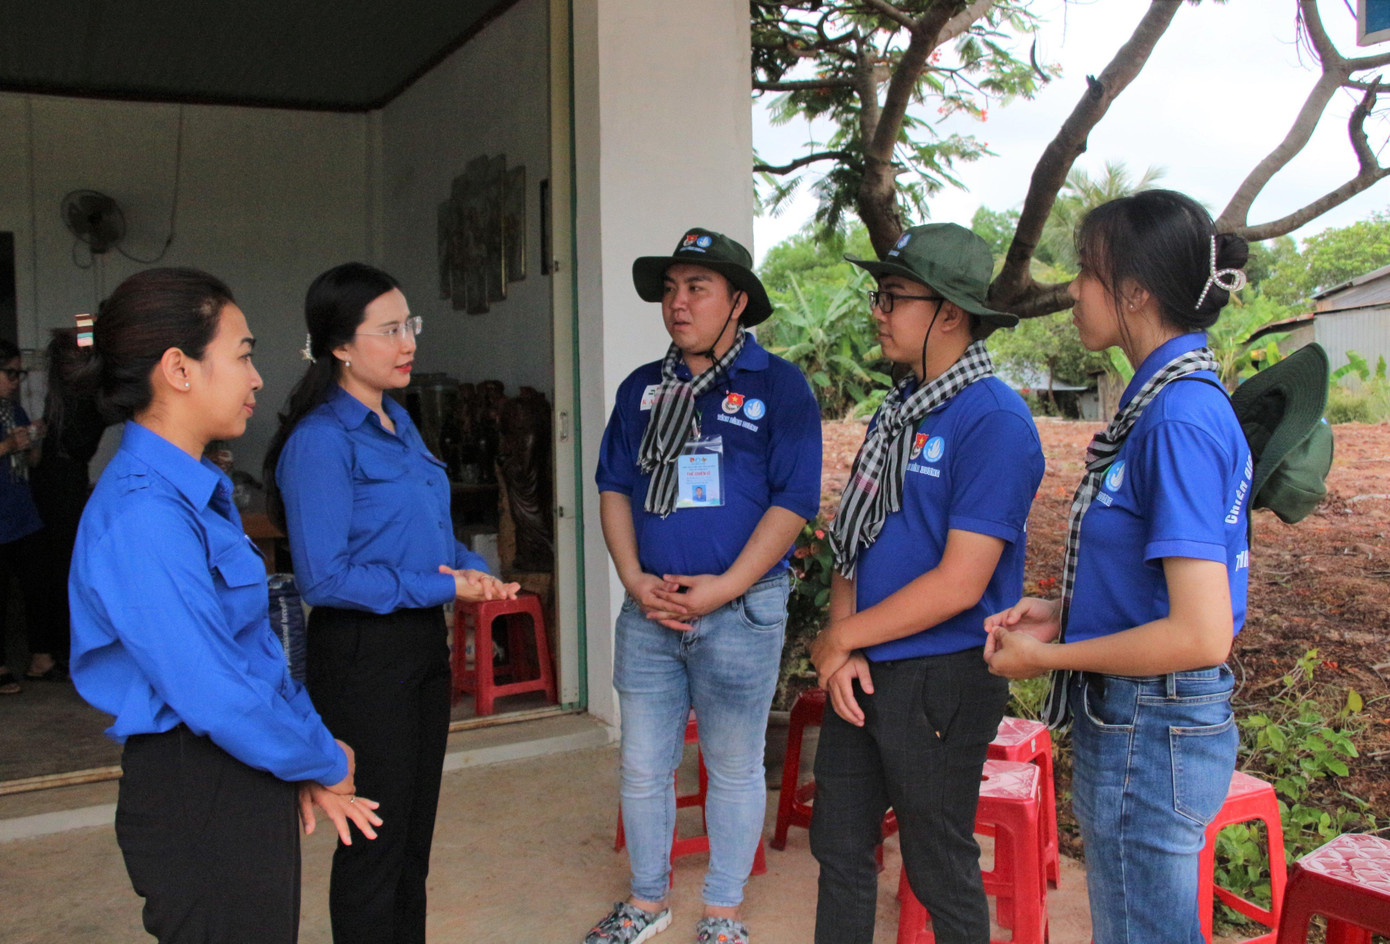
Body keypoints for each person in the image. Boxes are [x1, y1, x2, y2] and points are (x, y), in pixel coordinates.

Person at [67, 267, 382, 944]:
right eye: (242, 355)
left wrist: (302, 750)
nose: (257, 377)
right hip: (196, 787)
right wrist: (323, 758)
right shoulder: (143, 515)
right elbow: (212, 690)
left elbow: (256, 653)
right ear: (179, 368)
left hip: (240, 768)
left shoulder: (191, 492)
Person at [984, 190, 1252, 944]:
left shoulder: (1176, 419)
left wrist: (1050, 657)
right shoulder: (1164, 406)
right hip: (1145, 718)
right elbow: (1159, 593)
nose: (1072, 290)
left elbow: (1201, 634)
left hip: (1150, 722)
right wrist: (1065, 614)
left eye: (1086, 273)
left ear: (1135, 292)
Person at [266, 261, 518, 944]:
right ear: (341, 345)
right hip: (360, 658)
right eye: (389, 329)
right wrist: (445, 586)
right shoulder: (321, 441)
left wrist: (471, 569)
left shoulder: (398, 421)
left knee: (411, 839)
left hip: (418, 648)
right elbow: (325, 579)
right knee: (374, 846)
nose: (408, 342)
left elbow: (428, 536)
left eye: (411, 325)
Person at [807, 224, 1044, 944]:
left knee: (938, 865)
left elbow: (960, 583)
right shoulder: (897, 411)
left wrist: (839, 636)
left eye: (893, 296)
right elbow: (853, 540)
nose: (878, 310)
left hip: (941, 677)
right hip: (867, 670)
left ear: (948, 312)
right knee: (840, 847)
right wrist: (843, 650)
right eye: (879, 295)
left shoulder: (994, 419)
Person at [586, 228, 822, 944]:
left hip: (741, 611)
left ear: (738, 303)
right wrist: (633, 578)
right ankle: (648, 900)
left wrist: (723, 589)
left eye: (697, 288)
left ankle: (721, 909)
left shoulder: (778, 388)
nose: (677, 302)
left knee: (734, 765)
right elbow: (614, 488)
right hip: (650, 609)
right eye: (669, 288)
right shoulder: (640, 390)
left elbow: (792, 504)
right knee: (644, 764)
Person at [27, 328, 112, 682]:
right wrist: (95, 323)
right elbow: (85, 327)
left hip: (60, 482)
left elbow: (84, 328)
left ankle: (50, 652)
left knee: (58, 569)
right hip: (59, 486)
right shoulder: (78, 395)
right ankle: (52, 653)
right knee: (62, 570)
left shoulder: (65, 395)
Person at [0, 339, 45, 694]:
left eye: (20, 373)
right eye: (10, 373)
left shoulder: (13, 411)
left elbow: (31, 463)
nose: (16, 381)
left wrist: (31, 440)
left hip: (22, 513)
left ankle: (39, 657)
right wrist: (7, 446)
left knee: (35, 588)